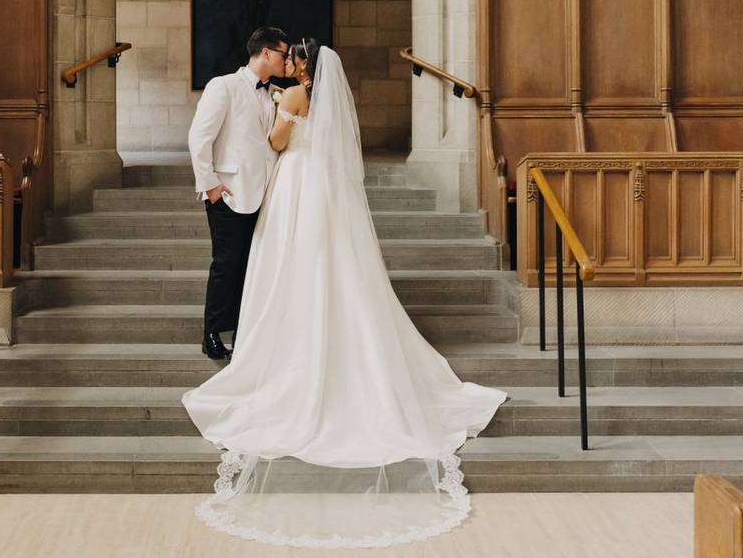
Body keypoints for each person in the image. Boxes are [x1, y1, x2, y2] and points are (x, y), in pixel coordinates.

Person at [182, 38, 508, 548]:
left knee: (290, 262)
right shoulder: (315, 98)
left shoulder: (290, 98)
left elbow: (275, 145)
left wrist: (277, 113)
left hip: (293, 186)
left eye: (292, 58)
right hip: (323, 191)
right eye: (282, 54)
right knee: (329, 261)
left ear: (301, 66)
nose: (286, 62)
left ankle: (286, 342)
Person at [187, 26, 288, 360]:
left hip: (263, 194)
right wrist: (210, 184)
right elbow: (199, 137)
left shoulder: (275, 92)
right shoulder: (224, 86)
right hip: (228, 192)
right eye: (283, 54)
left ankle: (244, 330)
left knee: (252, 264)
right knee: (226, 264)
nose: (285, 60)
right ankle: (212, 333)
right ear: (266, 53)